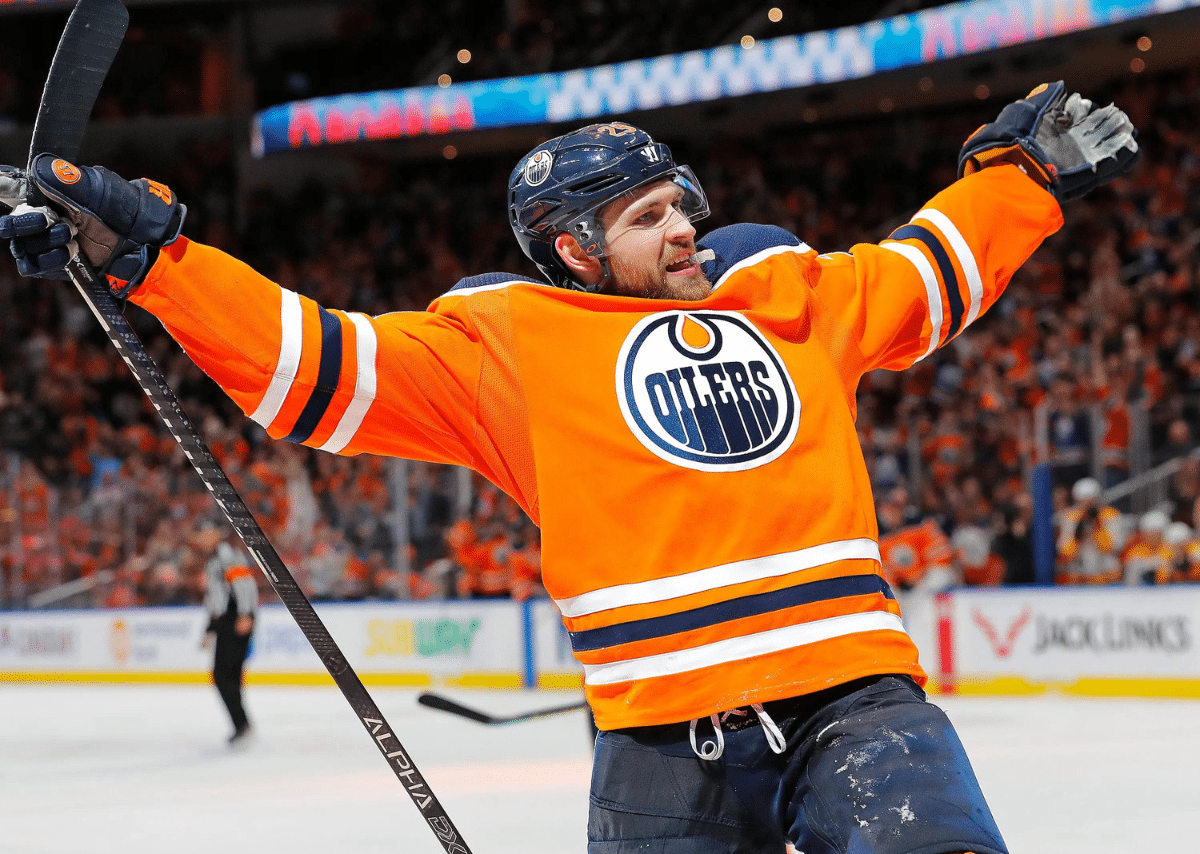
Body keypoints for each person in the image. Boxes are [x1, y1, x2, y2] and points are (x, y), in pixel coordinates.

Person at [2, 81, 1137, 854]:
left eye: (685, 204)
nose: (688, 228)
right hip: (653, 737)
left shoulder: (788, 298)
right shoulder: (509, 347)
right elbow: (312, 360)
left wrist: (1020, 178)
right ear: (574, 250)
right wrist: (149, 257)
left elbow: (928, 267)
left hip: (856, 707)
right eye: (651, 218)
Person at [198, 521, 258, 744]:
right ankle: (241, 724)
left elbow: (244, 585)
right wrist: (210, 628)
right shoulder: (216, 558)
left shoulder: (226, 556)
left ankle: (241, 724)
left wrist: (245, 614)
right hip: (228, 619)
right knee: (226, 675)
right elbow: (216, 599)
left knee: (225, 675)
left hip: (235, 618)